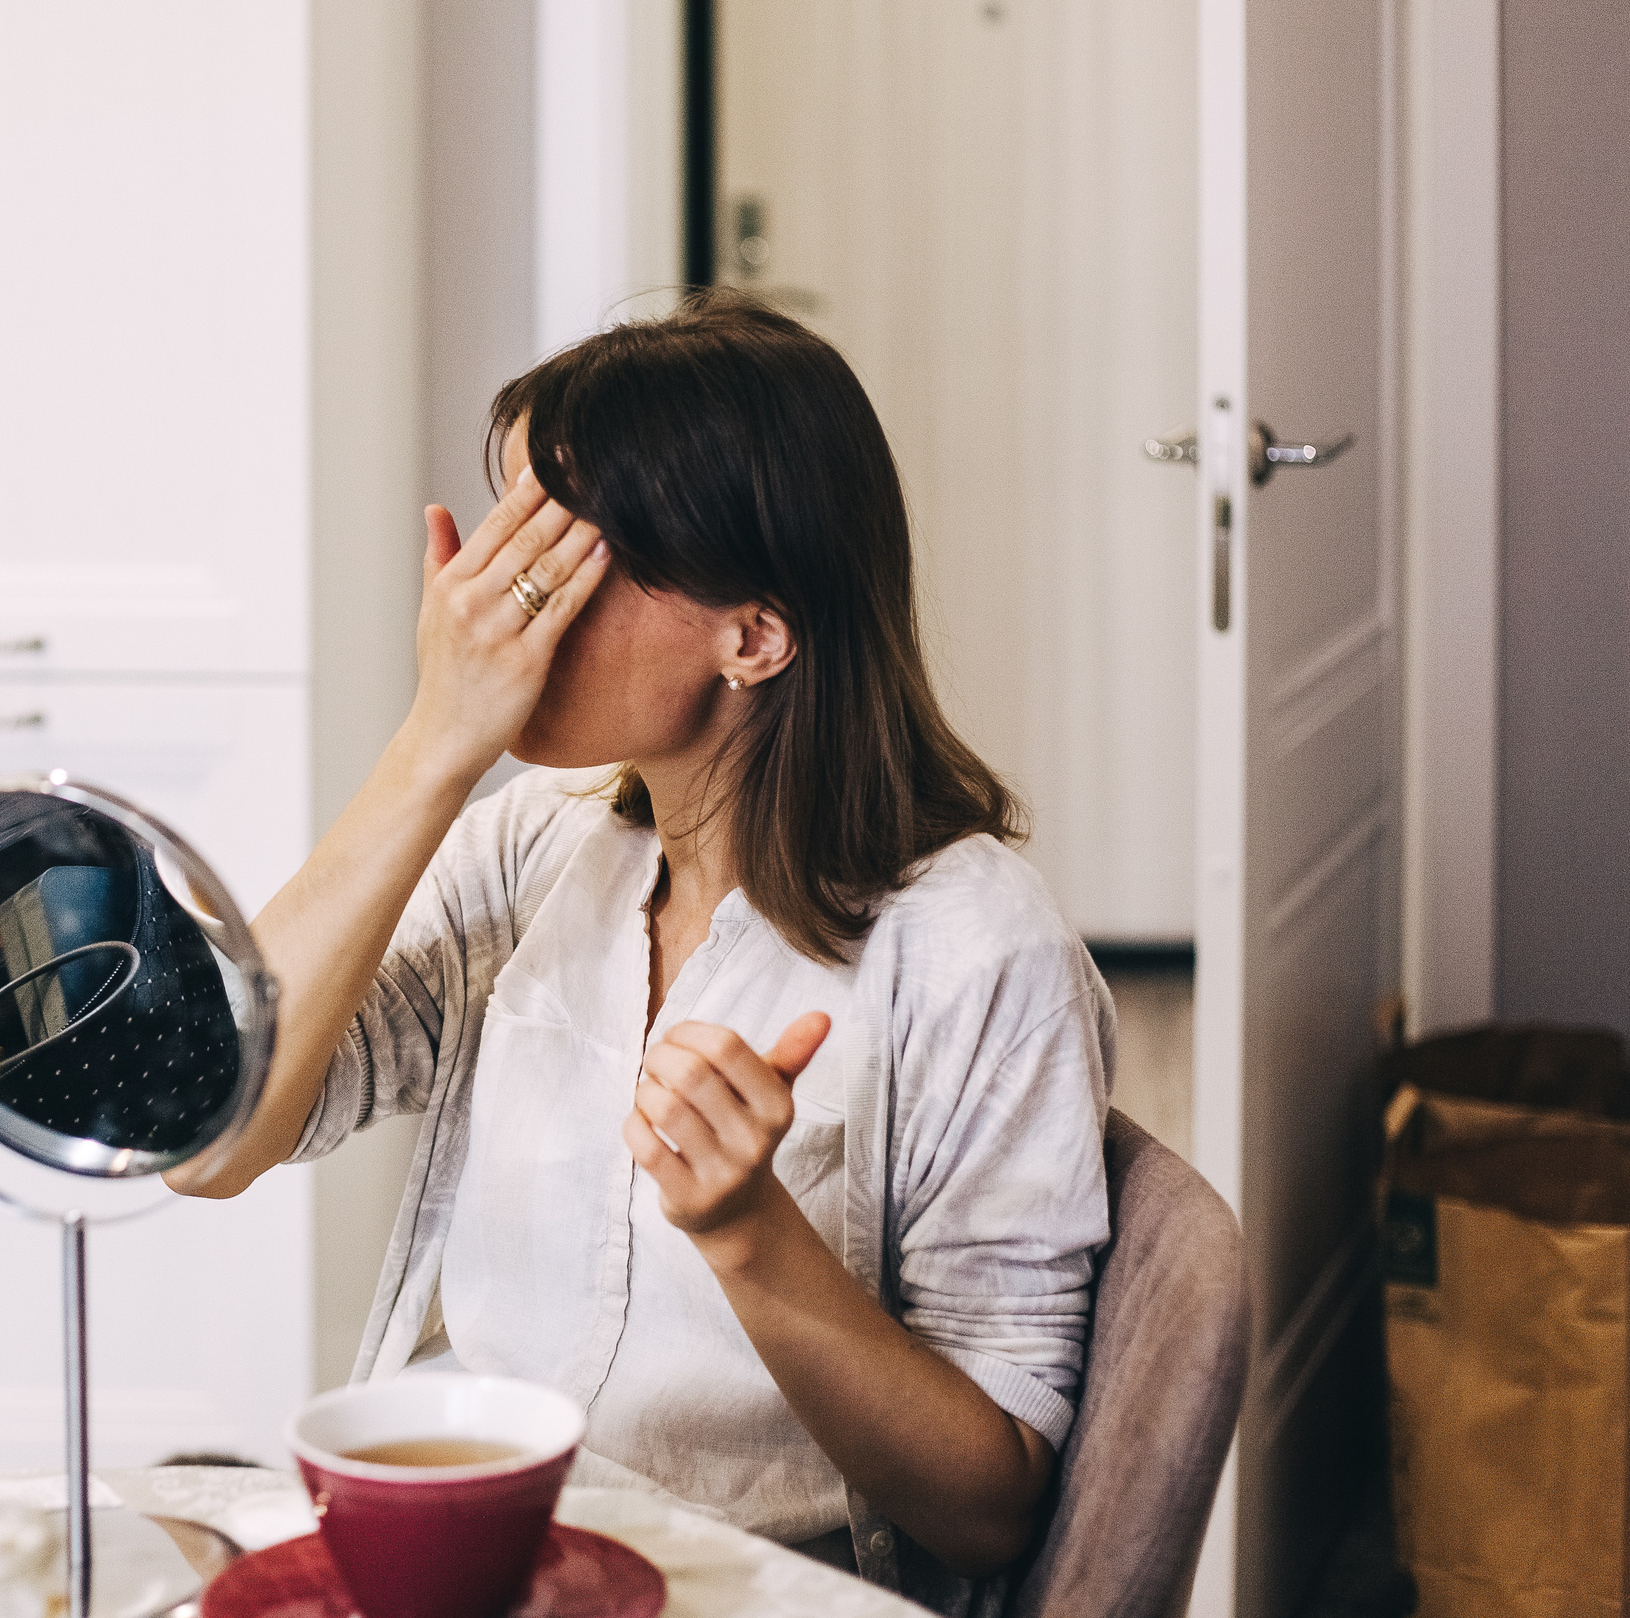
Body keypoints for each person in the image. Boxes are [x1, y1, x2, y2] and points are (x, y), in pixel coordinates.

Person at [171, 292, 1112, 1614]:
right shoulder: (535, 850)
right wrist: (432, 746)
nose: (496, 599)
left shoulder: (975, 950)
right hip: (466, 1557)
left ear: (755, 636)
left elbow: (989, 1507)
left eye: (565, 553)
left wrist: (750, 1235)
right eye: (506, 532)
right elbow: (211, 1136)